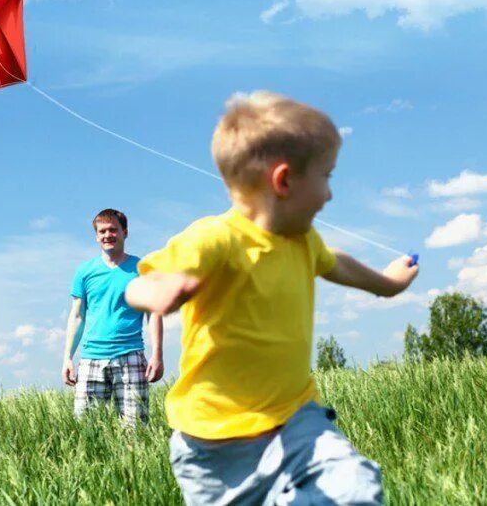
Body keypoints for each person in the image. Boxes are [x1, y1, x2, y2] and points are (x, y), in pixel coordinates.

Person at [125, 92, 418, 505]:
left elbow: (341, 265)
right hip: (214, 448)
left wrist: (389, 282)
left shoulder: (303, 240)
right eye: (327, 176)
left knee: (353, 489)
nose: (330, 195)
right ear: (284, 181)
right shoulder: (216, 238)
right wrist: (158, 291)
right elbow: (136, 285)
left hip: (297, 422)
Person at [62, 208, 164, 427]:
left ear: (124, 232)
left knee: (135, 429)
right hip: (91, 358)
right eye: (102, 231)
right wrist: (68, 357)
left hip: (130, 356)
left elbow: (154, 314)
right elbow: (77, 316)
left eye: (113, 230)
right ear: (96, 236)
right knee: (86, 430)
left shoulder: (142, 269)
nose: (107, 235)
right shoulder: (85, 271)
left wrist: (157, 355)